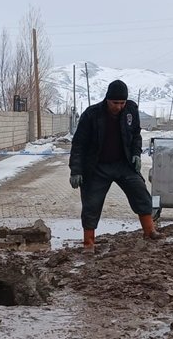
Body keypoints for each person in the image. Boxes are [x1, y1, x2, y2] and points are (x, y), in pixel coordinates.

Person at [68, 79, 162, 246]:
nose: (119, 107)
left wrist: (136, 154)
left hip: (123, 163)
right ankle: (88, 242)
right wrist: (76, 170)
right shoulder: (91, 115)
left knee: (140, 194)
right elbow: (78, 144)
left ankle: (149, 231)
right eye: (115, 103)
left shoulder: (131, 110)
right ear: (107, 99)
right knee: (91, 204)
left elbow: (135, 136)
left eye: (122, 103)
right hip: (97, 166)